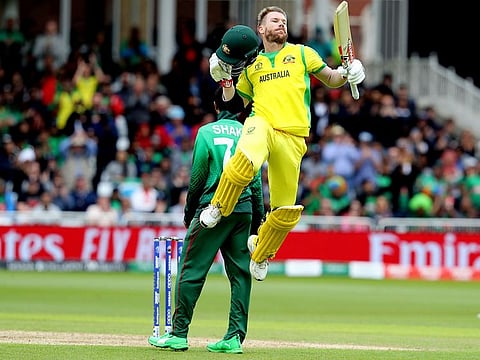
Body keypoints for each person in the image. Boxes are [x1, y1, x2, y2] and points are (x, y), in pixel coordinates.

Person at [200, 7, 365, 280]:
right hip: (261, 123)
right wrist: (225, 78)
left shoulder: (302, 53)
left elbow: (332, 78)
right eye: (275, 21)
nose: (281, 24)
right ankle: (218, 205)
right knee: (245, 161)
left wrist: (349, 72)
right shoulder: (252, 65)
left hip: (294, 135)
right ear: (261, 29)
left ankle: (261, 252)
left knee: (285, 211)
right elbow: (232, 103)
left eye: (284, 21)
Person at [148, 87, 264, 353]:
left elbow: (198, 177)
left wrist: (190, 212)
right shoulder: (251, 134)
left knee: (191, 269)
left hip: (213, 207)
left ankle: (178, 334)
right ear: (241, 110)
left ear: (215, 106)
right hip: (243, 209)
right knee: (240, 274)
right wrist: (256, 221)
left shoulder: (206, 132)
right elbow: (256, 182)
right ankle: (234, 337)